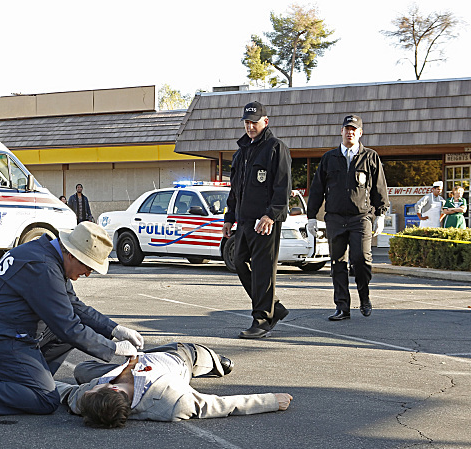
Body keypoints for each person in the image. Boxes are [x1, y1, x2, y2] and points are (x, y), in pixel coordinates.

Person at [0, 222, 144, 419]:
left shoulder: (47, 256)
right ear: (72, 255)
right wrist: (112, 348)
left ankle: (29, 383)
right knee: (46, 399)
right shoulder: (43, 267)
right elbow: (68, 325)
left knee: (69, 338)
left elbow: (75, 308)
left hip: (6, 332)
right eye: (88, 266)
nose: (88, 273)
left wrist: (115, 329)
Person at [56, 342, 292, 427]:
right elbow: (219, 404)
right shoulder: (172, 401)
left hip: (133, 359)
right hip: (176, 357)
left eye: (93, 388)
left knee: (81, 371)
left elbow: (61, 391)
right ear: (113, 389)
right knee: (214, 361)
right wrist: (271, 401)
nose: (90, 388)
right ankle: (216, 361)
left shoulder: (84, 400)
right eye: (94, 388)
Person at [306, 115, 389, 321]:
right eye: (347, 128)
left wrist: (381, 214)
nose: (350, 132)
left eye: (354, 129)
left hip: (361, 217)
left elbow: (380, 187)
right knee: (338, 263)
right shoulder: (329, 158)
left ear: (360, 133)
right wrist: (311, 217)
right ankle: (342, 307)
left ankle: (364, 296)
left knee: (360, 259)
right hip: (335, 218)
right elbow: (317, 189)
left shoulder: (370, 157)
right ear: (341, 131)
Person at [223, 101, 292, 339]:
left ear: (266, 121)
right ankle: (275, 307)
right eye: (247, 122)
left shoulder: (276, 148)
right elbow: (234, 190)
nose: (250, 126)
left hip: (265, 222)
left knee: (263, 271)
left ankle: (262, 319)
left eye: (255, 122)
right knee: (239, 263)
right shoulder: (241, 152)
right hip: (243, 221)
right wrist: (228, 218)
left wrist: (271, 215)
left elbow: (282, 187)